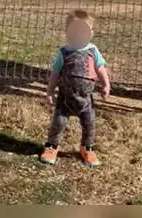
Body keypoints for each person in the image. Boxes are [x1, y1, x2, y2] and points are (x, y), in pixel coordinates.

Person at [39, 9, 111, 166]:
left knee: (89, 124)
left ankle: (88, 148)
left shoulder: (93, 50)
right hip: (65, 98)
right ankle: (51, 146)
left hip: (86, 100)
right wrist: (50, 91)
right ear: (68, 32)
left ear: (91, 33)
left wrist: (106, 84)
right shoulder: (64, 52)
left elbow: (100, 68)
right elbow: (55, 73)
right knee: (58, 123)